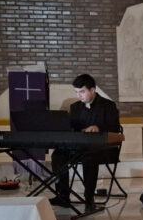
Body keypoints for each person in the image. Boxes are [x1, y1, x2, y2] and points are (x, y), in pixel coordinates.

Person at [50, 74, 120, 212]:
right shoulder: (75, 107)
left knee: (90, 156)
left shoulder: (108, 105)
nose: (79, 96)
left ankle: (89, 199)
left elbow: (115, 128)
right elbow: (71, 128)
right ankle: (63, 196)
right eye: (76, 92)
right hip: (80, 148)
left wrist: (98, 128)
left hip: (104, 149)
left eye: (82, 91)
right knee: (58, 155)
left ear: (93, 90)